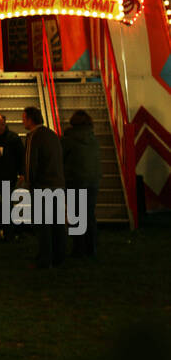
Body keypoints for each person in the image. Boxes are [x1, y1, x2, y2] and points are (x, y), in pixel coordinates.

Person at [22, 105, 66, 267]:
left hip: (42, 185)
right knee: (57, 223)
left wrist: (28, 181)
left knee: (43, 225)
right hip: (58, 184)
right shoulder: (52, 135)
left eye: (23, 118)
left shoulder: (33, 137)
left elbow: (29, 163)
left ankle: (44, 259)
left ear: (30, 119)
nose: (22, 121)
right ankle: (59, 256)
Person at [62, 109, 100, 259]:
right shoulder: (93, 138)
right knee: (89, 215)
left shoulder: (68, 139)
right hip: (93, 180)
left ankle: (78, 249)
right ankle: (91, 248)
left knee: (76, 216)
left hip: (74, 180)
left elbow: (61, 157)